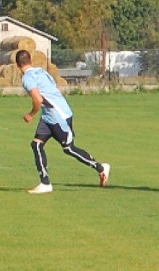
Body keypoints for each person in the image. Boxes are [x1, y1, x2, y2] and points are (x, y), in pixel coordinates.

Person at [15, 49, 110, 194]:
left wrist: (31, 114)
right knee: (36, 144)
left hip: (58, 116)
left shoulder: (27, 78)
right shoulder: (41, 71)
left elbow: (38, 99)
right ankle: (45, 183)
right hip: (49, 115)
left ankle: (101, 168)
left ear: (17, 65)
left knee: (69, 148)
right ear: (31, 61)